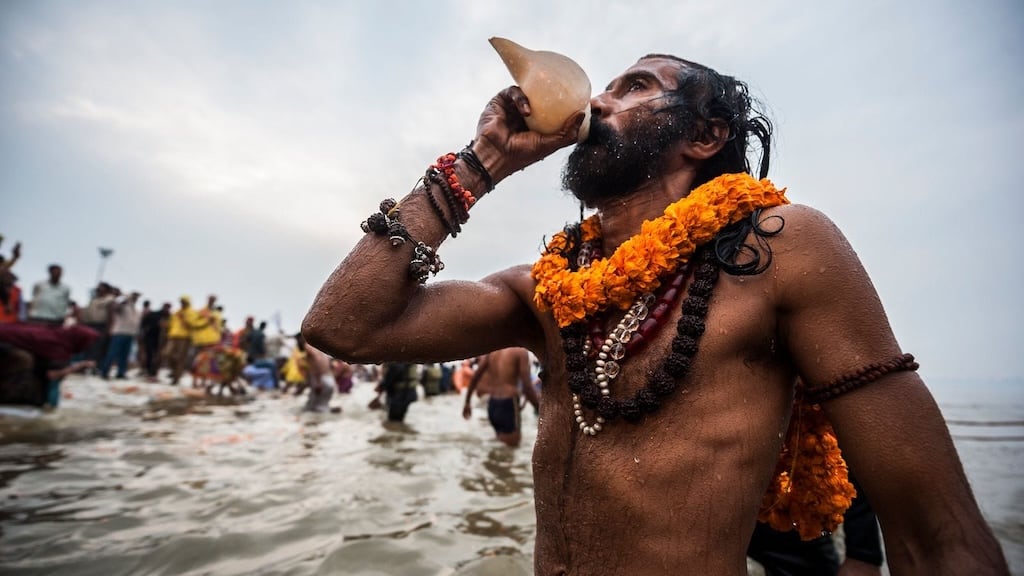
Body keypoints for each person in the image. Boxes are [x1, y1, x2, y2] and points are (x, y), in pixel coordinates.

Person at [302, 54, 1008, 574]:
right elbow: (345, 328)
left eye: (635, 86)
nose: (599, 102)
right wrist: (481, 161)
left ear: (704, 137)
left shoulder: (782, 247)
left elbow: (936, 534)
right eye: (603, 87)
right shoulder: (547, 289)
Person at [0, 323, 99, 408]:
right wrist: (80, 366)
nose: (87, 346)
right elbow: (52, 375)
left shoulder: (57, 335)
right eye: (87, 343)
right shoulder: (58, 346)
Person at [462, 347, 540, 447]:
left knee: (501, 446)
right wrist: (539, 410)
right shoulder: (520, 351)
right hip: (508, 403)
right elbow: (527, 387)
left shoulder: (493, 352)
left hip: (492, 404)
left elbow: (475, 377)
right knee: (512, 450)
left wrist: (467, 402)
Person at [99, 290, 141, 380]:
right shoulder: (123, 306)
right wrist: (125, 299)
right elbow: (115, 308)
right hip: (119, 333)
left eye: (137, 297)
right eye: (134, 296)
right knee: (112, 353)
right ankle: (104, 371)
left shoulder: (136, 310)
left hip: (130, 334)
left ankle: (121, 373)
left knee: (124, 355)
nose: (136, 298)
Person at [163, 296, 195, 385]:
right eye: (181, 302)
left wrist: (184, 318)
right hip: (173, 336)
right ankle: (174, 371)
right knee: (167, 354)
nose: (182, 304)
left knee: (180, 358)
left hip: (184, 338)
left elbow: (192, 325)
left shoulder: (191, 313)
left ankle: (176, 378)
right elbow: (171, 323)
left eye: (184, 302)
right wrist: (167, 326)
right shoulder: (177, 312)